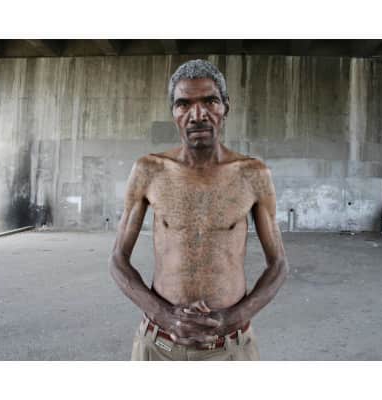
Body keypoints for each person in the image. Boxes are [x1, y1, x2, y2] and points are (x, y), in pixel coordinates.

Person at [109, 59, 288, 361]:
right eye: (184, 104)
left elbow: (279, 265)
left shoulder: (253, 174)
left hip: (231, 346)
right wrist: (165, 316)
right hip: (160, 344)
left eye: (210, 101)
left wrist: (232, 318)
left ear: (225, 108)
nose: (198, 115)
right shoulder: (149, 170)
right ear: (174, 113)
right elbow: (117, 259)